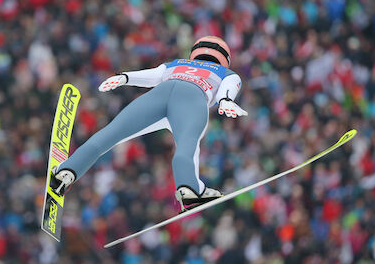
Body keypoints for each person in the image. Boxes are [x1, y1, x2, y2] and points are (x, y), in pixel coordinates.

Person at [50, 36, 247, 211]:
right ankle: (189, 189)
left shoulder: (176, 63)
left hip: (159, 94)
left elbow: (152, 75)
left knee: (112, 133)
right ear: (225, 59)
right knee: (187, 147)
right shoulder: (226, 73)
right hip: (193, 99)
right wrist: (226, 101)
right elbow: (227, 90)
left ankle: (67, 171)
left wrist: (124, 77)